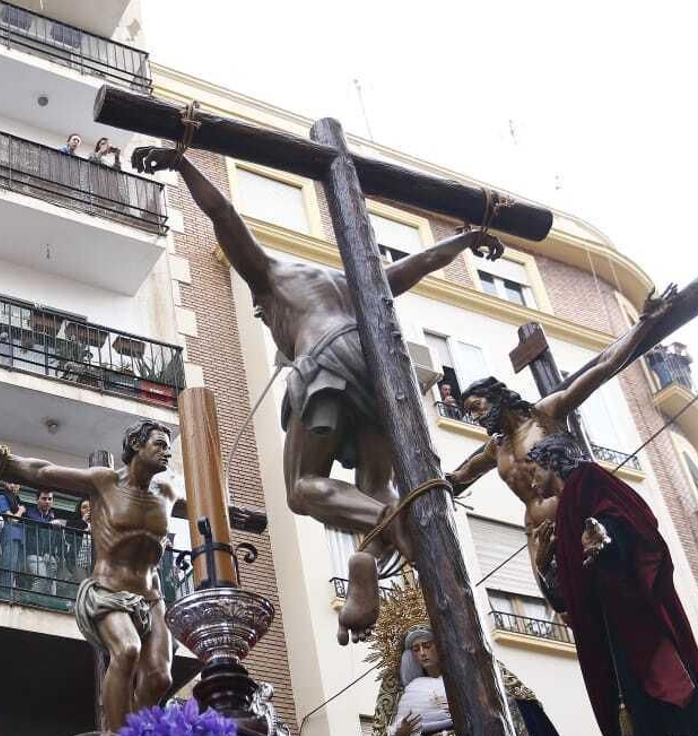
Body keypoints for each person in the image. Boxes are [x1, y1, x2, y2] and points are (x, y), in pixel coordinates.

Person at [133, 144, 502, 641]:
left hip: (328, 360)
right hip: (384, 368)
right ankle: (370, 555)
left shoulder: (267, 277)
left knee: (303, 488)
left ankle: (393, 524)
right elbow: (417, 264)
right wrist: (467, 238)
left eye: (262, 317)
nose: (266, 322)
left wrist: (181, 160)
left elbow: (221, 213)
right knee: (374, 483)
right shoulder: (351, 284)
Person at [522, 433, 698, 736]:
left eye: (533, 469)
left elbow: (637, 523)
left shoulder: (590, 480)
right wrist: (546, 568)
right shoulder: (565, 507)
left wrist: (606, 536)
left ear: (551, 462)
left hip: (636, 623)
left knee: (668, 699)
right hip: (611, 632)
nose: (531, 480)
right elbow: (573, 597)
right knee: (639, 717)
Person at [0, 421, 183, 736]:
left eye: (167, 446)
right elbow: (44, 473)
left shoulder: (169, 490)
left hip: (151, 596)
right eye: (159, 444)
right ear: (135, 444)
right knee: (127, 650)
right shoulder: (104, 481)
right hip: (109, 591)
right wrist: (6, 463)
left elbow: (200, 501)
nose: (167, 451)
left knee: (161, 677)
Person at [375, 626, 581, 736]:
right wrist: (401, 734)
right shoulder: (412, 692)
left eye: (427, 646)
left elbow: (513, 709)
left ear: (441, 645)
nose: (422, 653)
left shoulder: (473, 676)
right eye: (416, 649)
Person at [26, 489, 61, 595]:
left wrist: (49, 553)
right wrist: (51, 523)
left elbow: (55, 540)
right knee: (41, 580)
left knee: (51, 585)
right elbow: (36, 521)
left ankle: (50, 605)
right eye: (44, 498)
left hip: (47, 555)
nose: (47, 501)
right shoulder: (30, 512)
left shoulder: (52, 517)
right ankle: (32, 602)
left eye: (50, 499)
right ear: (37, 500)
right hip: (32, 554)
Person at [0, 481, 28, 590]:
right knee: (9, 565)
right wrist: (21, 510)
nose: (13, 485)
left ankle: (13, 592)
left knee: (17, 569)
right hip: (10, 535)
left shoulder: (17, 500)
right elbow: (12, 519)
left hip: (20, 538)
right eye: (10, 482)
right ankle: (5, 592)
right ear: (5, 483)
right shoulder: (2, 497)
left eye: (16, 483)